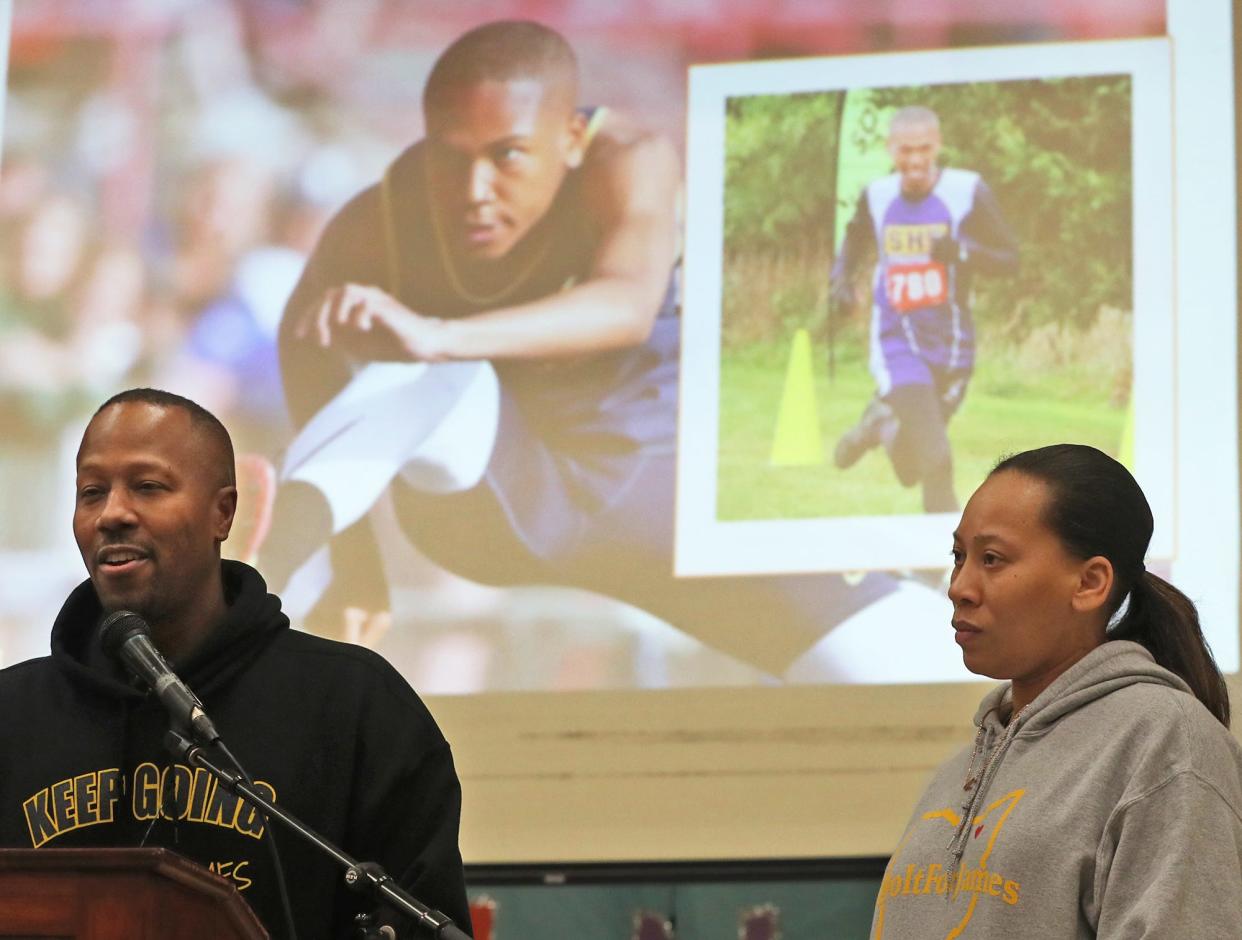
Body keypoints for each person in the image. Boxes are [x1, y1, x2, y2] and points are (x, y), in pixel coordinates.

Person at [259, 19, 897, 679]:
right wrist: (354, 562)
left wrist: (441, 334)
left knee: (914, 676)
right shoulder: (383, 217)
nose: (474, 188)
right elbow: (307, 345)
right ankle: (241, 594)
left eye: (506, 156)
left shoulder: (626, 159)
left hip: (666, 507)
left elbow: (626, 304)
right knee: (428, 376)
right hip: (508, 498)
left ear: (568, 138)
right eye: (452, 156)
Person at [0, 388, 472, 940]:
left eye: (148, 487)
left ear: (223, 512)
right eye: (91, 493)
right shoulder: (13, 717)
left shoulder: (356, 708)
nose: (113, 514)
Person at [872, 444, 1242, 939]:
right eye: (960, 556)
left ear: (1089, 583)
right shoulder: (956, 773)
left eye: (992, 558)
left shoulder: (1166, 743)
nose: (960, 585)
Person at [831, 106, 1018, 512]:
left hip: (952, 348)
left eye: (923, 150)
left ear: (938, 147)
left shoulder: (967, 192)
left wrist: (962, 253)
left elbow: (1010, 260)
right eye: (905, 151)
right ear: (890, 150)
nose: (915, 161)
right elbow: (853, 242)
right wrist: (840, 284)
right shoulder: (877, 197)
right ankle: (946, 569)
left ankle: (879, 426)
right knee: (939, 461)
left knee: (911, 467)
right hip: (897, 344)